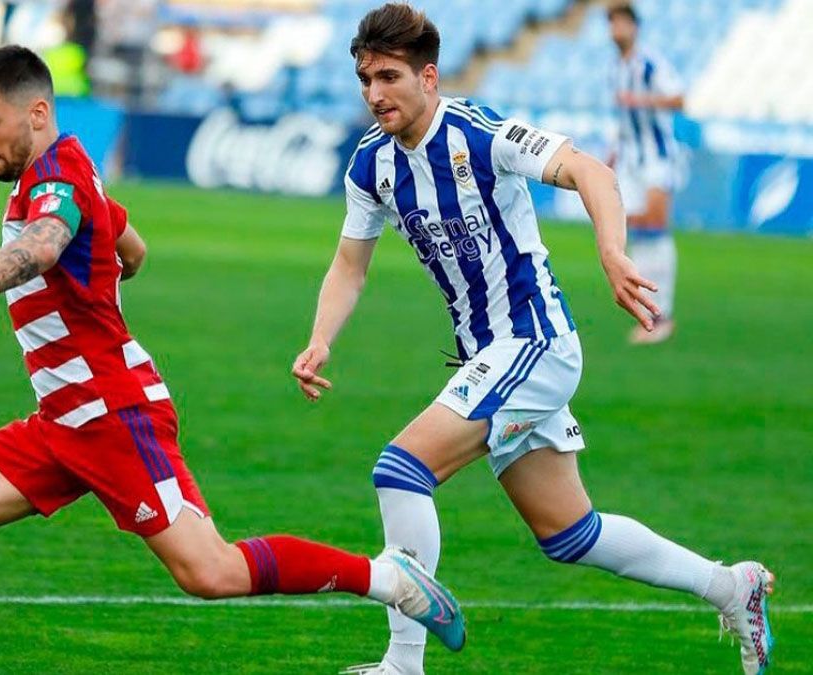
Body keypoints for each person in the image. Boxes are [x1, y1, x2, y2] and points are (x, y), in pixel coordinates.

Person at [0, 44, 463, 675]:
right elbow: (130, 242)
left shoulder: (58, 183)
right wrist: (116, 263)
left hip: (113, 416)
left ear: (36, 113)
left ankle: (387, 577)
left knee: (211, 571)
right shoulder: (66, 167)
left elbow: (45, 244)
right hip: (62, 422)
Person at [290, 5, 773, 674]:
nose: (375, 94)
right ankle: (731, 585)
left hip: (533, 343)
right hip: (493, 358)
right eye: (365, 78)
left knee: (400, 469)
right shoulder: (371, 165)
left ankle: (402, 664)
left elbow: (591, 172)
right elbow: (350, 264)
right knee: (571, 533)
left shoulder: (480, 132)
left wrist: (611, 249)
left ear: (428, 77)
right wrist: (320, 340)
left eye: (389, 77)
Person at [607, 3, 684, 344]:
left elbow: (678, 99)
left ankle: (663, 314)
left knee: (654, 223)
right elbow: (622, 123)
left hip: (656, 156)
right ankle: (649, 315)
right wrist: (613, 154)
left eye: (621, 23)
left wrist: (642, 100)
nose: (615, 30)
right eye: (611, 24)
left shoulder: (649, 63)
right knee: (636, 235)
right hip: (630, 159)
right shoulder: (616, 68)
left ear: (634, 27)